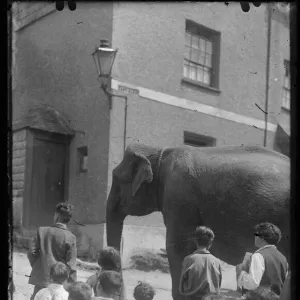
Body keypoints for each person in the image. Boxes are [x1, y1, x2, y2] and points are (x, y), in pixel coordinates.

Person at [28, 203, 77, 300]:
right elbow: (71, 265)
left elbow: (31, 253)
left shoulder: (42, 231)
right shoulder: (70, 237)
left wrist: (39, 266)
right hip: (59, 282)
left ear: (57, 215)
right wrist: (71, 286)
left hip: (41, 280)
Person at [236, 222, 289, 296]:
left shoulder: (258, 255)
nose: (254, 237)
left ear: (263, 237)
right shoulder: (283, 258)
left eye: (256, 234)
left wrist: (241, 272)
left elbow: (252, 284)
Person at [179, 226, 222, 300]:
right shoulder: (217, 262)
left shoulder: (188, 259)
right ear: (210, 242)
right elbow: (218, 285)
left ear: (195, 241)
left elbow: (182, 286)